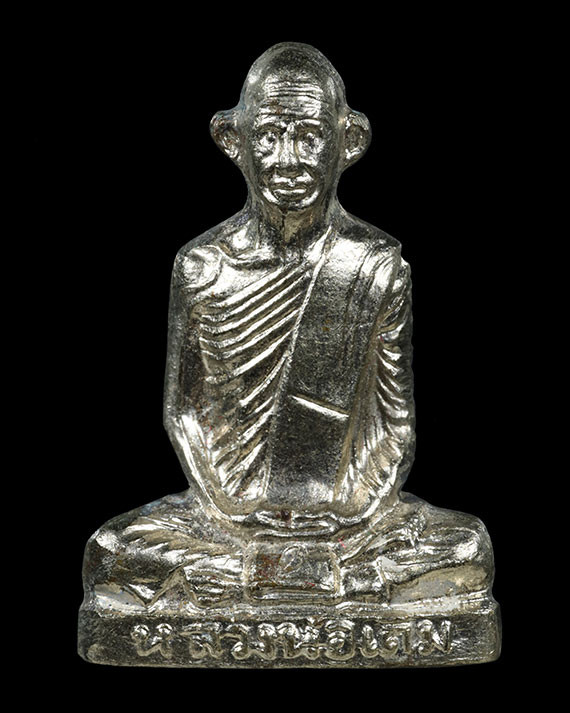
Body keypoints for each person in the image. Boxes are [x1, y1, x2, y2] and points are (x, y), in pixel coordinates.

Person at [82, 43, 494, 611]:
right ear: (233, 140)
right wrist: (234, 510)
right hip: (229, 517)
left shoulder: (374, 267)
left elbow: (395, 426)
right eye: (270, 136)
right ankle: (323, 583)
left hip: (346, 524)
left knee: (467, 547)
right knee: (112, 550)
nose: (288, 160)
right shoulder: (202, 267)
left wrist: (350, 513)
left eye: (310, 136)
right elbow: (184, 413)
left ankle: (264, 581)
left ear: (349, 142)